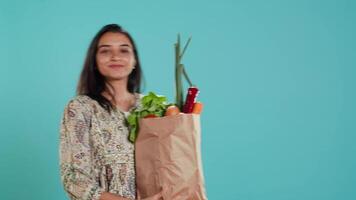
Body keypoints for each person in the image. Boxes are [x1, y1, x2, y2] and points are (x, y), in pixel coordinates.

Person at [59, 24, 161, 200]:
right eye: (105, 51)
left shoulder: (151, 107)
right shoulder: (81, 108)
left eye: (124, 50)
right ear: (94, 61)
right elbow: (74, 180)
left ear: (134, 60)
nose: (115, 57)